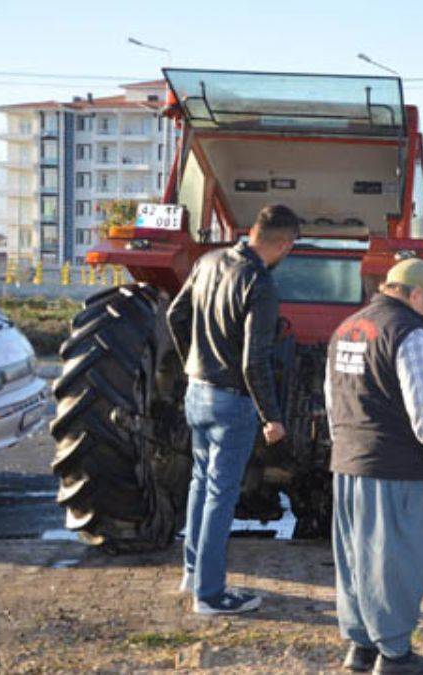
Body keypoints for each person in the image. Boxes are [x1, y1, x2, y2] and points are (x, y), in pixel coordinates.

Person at [326, 258, 423, 674]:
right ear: (414, 294)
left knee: (355, 559)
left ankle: (361, 649)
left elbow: (332, 398)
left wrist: (345, 449)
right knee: (396, 560)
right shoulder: (407, 332)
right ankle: (394, 656)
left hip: (349, 463)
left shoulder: (348, 328)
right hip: (393, 467)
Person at [166, 204, 300, 615]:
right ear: (283, 243)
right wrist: (271, 416)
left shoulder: (207, 261)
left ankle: (193, 573)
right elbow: (253, 361)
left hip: (197, 392)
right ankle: (210, 595)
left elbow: (176, 314)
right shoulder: (259, 282)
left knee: (200, 483)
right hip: (231, 403)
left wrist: (193, 361)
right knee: (220, 496)